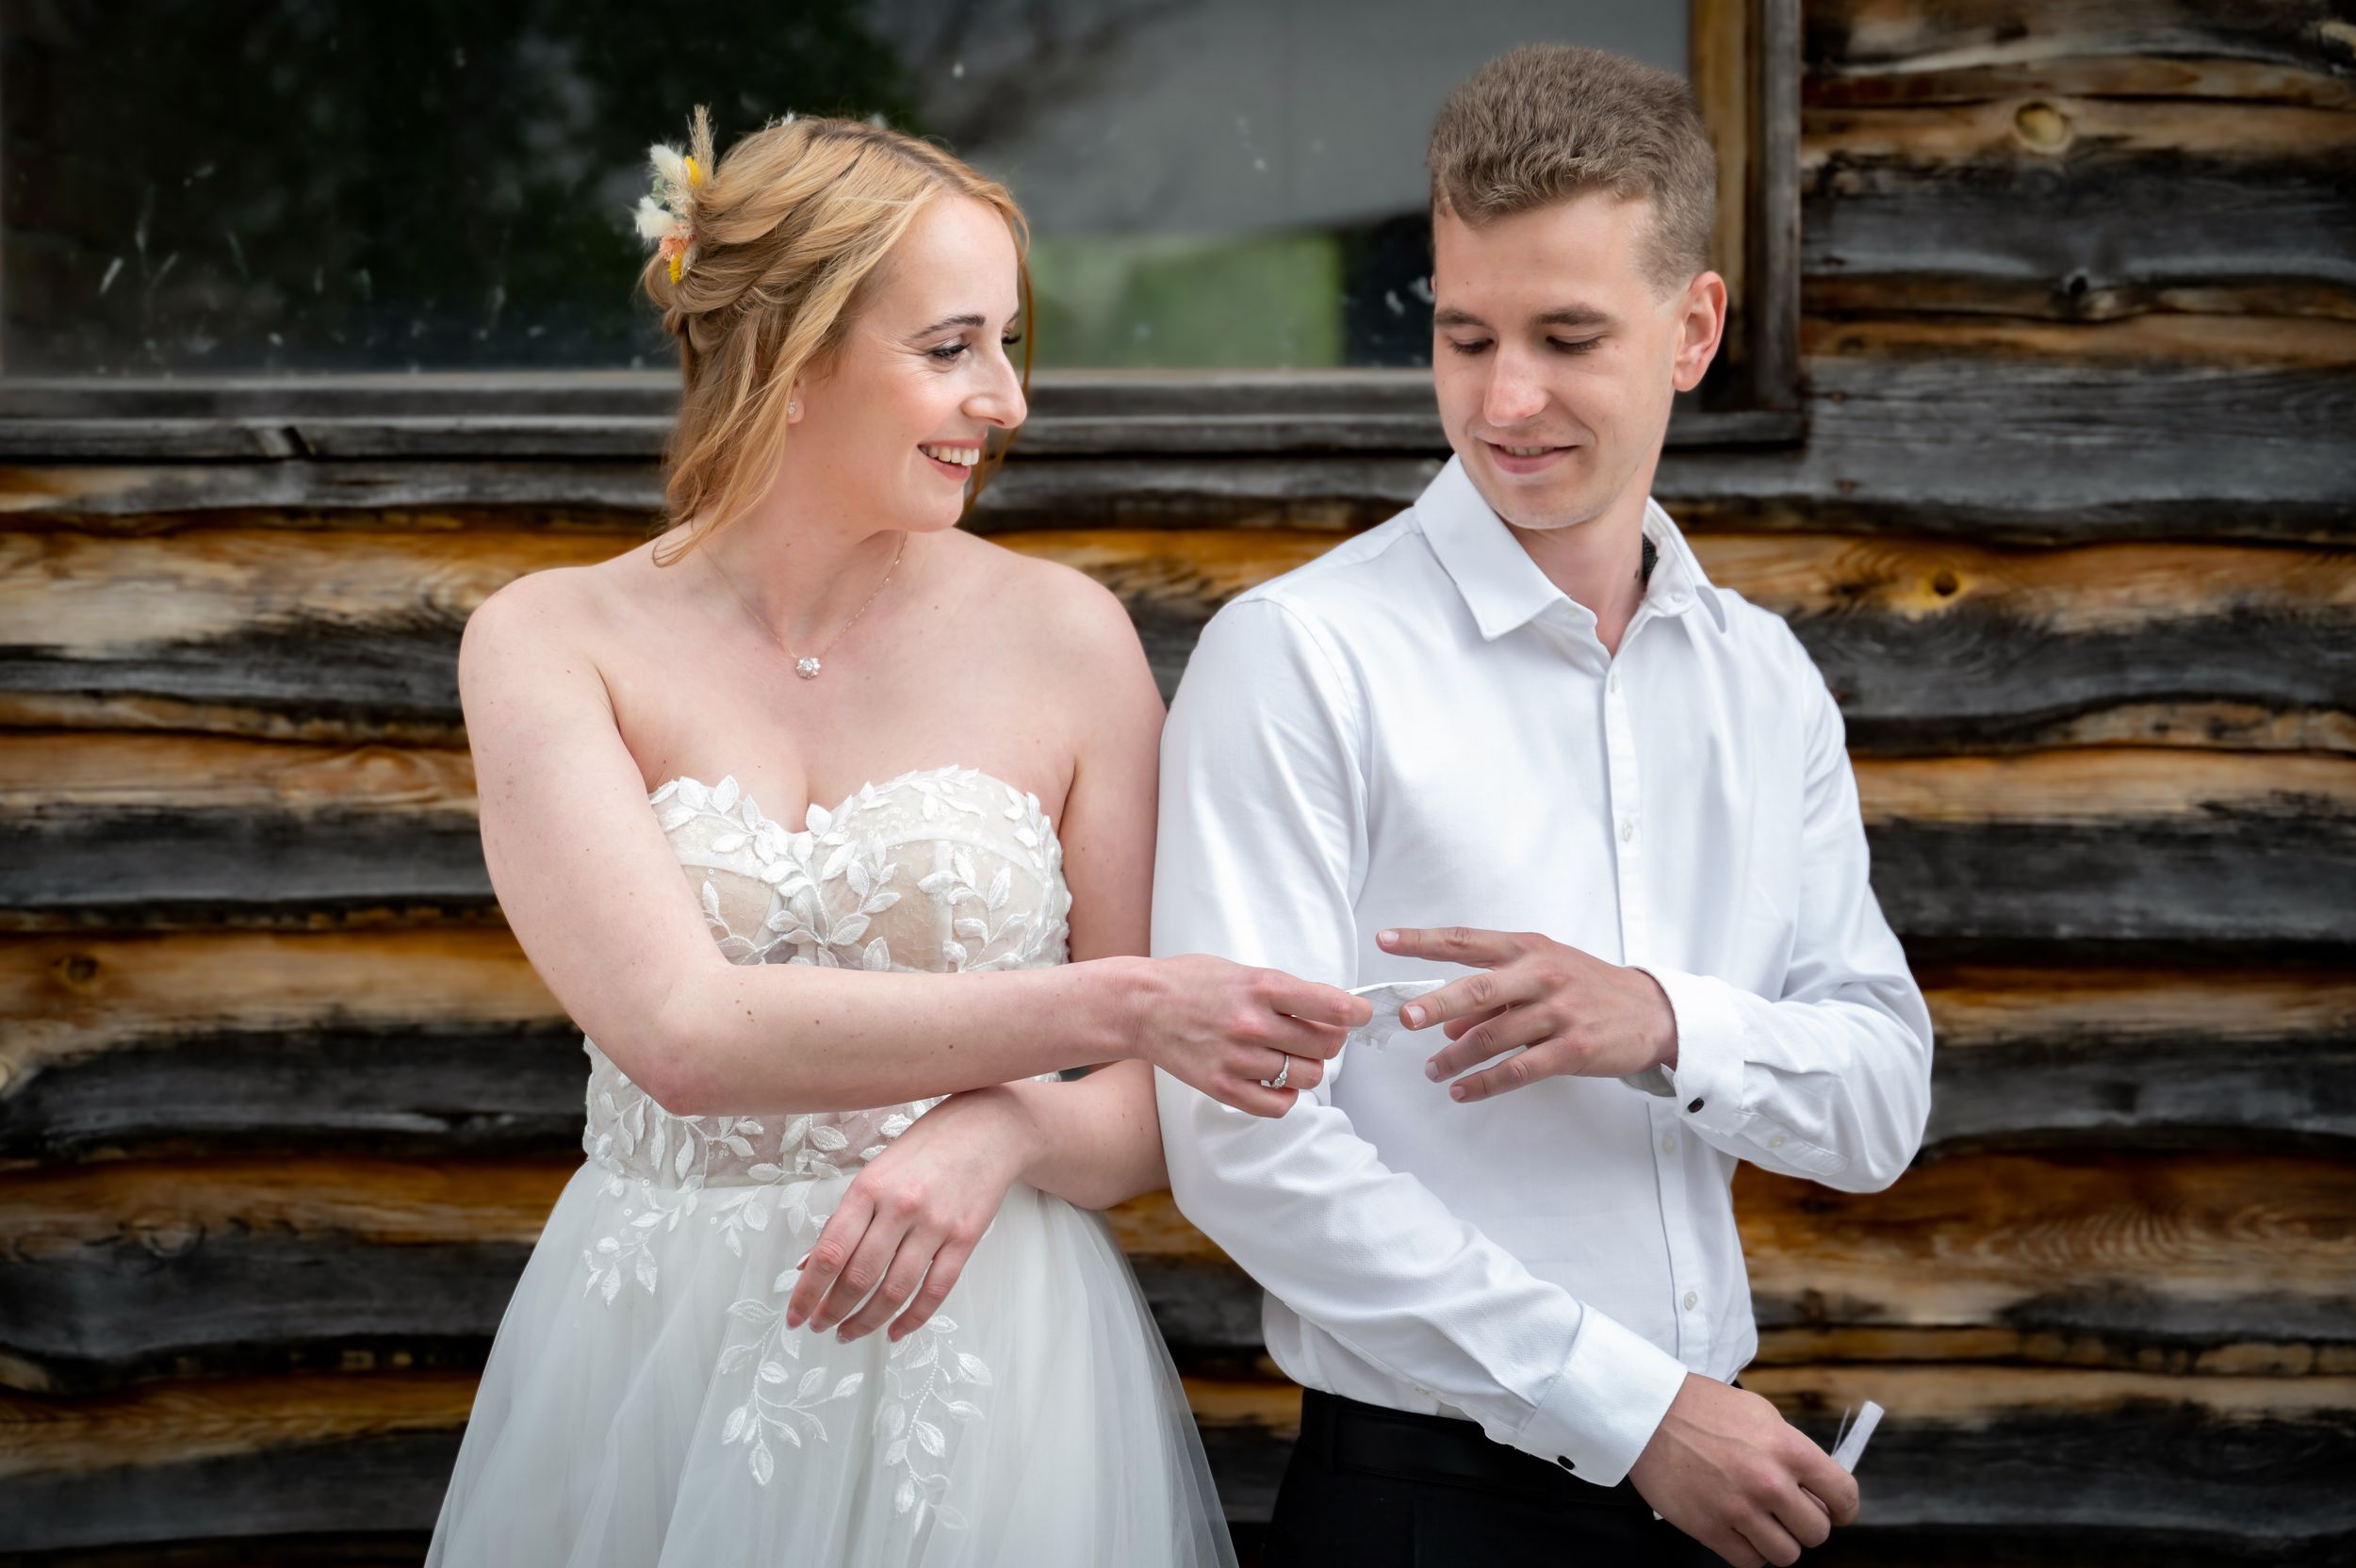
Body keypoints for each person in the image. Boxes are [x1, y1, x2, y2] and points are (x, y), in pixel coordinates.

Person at [426, 107, 1367, 1567]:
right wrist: (1119, 1003)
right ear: (788, 357)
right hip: (650, 1341)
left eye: (1008, 345)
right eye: (950, 348)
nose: (1007, 399)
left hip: (980, 1347)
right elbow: (683, 1034)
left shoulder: (1068, 637)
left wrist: (1007, 1126)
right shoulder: (548, 641)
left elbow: (1143, 1114)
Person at [1153, 44, 1935, 1568]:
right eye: (1466, 337)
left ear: (1693, 329)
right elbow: (1245, 1151)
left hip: (1720, 1489)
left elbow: (1880, 1105)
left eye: (1568, 337)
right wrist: (1635, 1416)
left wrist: (1666, 1021)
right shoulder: (1300, 656)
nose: (1506, 400)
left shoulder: (1764, 679)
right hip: (1428, 1507)